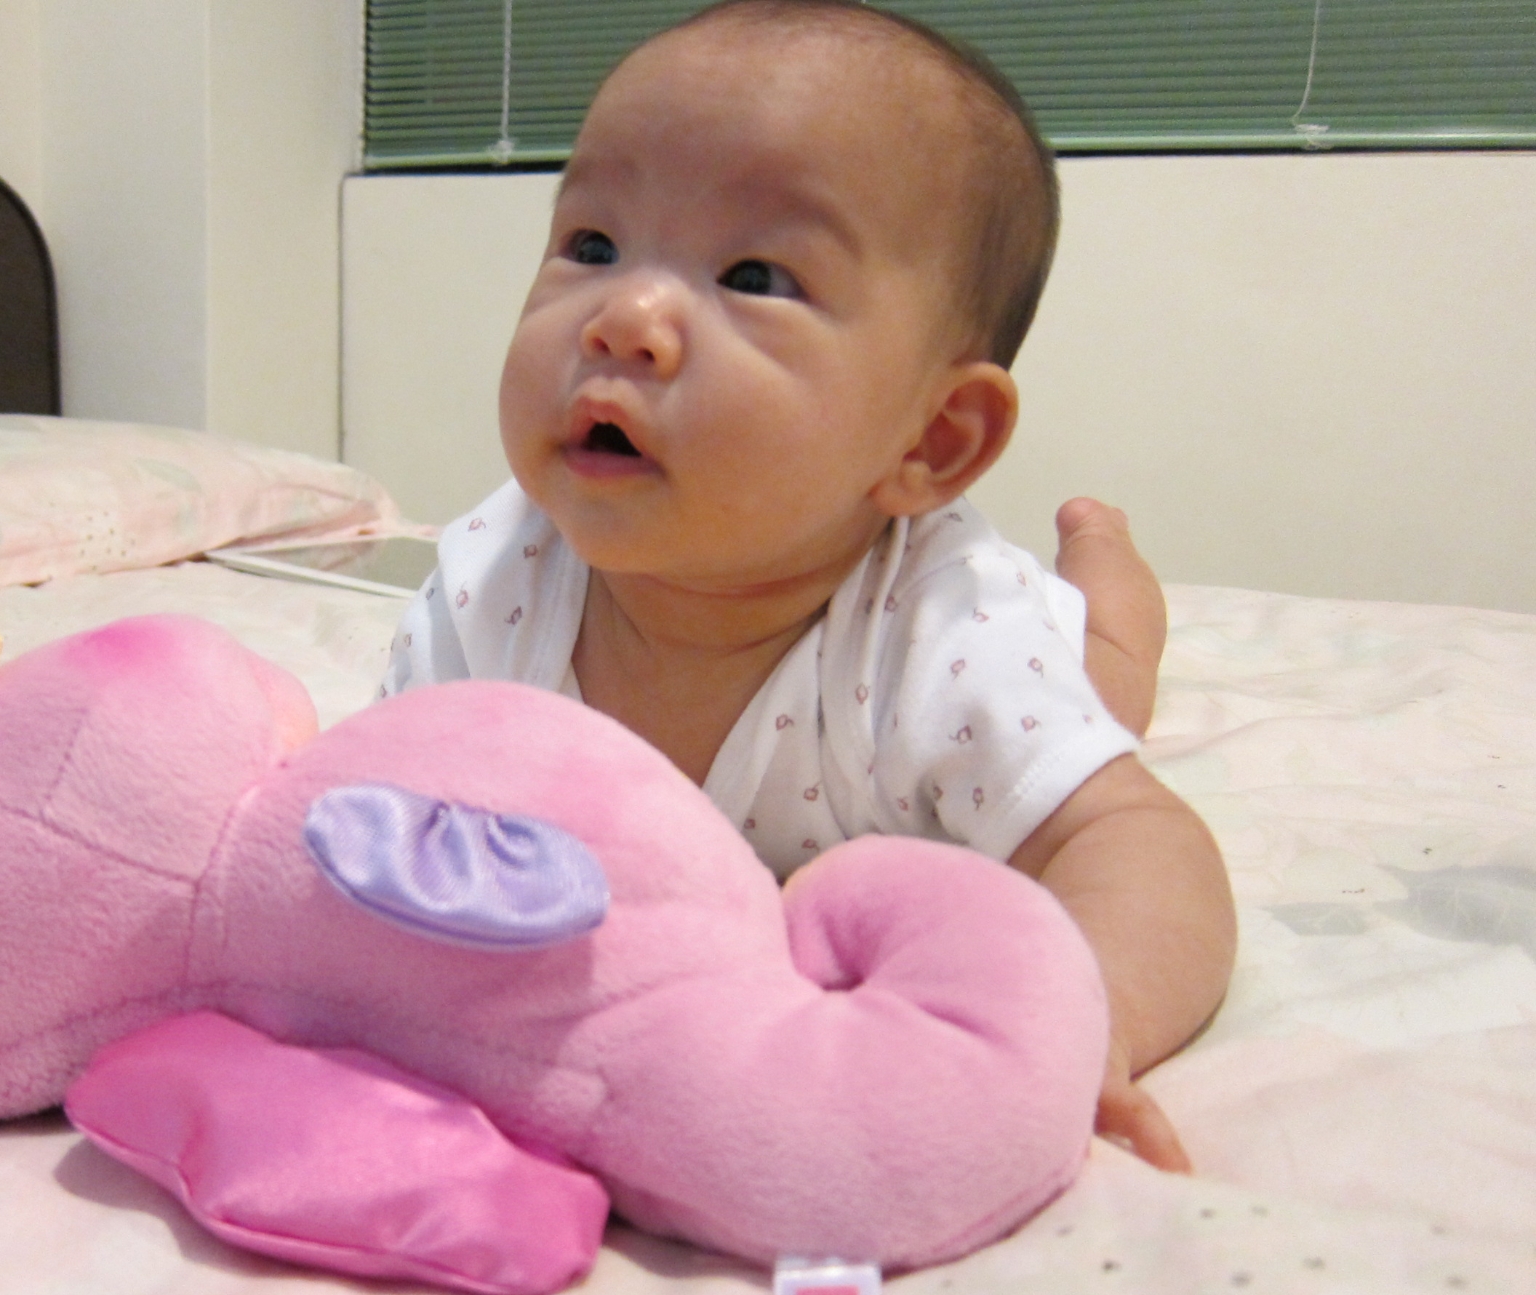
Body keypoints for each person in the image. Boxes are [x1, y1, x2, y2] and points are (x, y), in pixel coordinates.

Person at [381, 0, 1234, 1172]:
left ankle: (1104, 561)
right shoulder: (493, 583)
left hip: (1006, 652)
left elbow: (1138, 844)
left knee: (1104, 673)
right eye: (591, 244)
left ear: (930, 441)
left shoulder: (945, 639)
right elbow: (374, 811)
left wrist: (1081, 1023)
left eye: (751, 274)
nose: (623, 319)